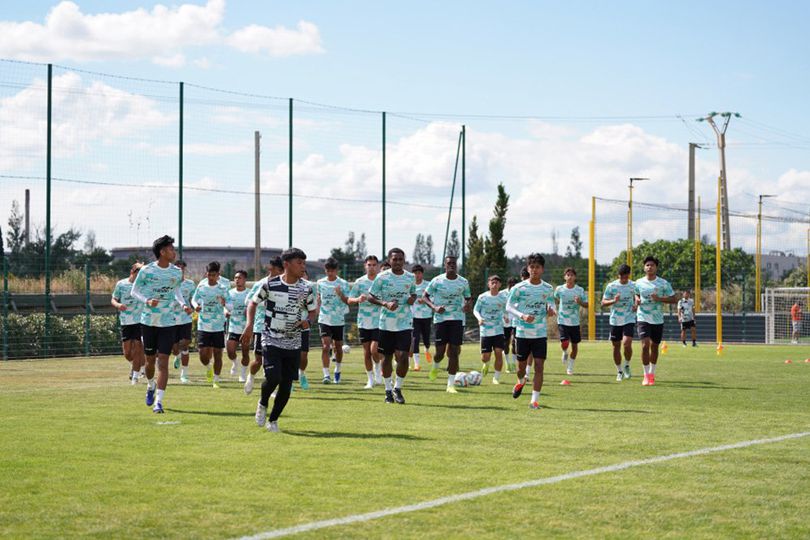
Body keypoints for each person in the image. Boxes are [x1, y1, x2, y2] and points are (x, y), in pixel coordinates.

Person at [242, 247, 317, 433]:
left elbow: (313, 311)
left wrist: (307, 321)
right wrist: (250, 325)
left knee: (286, 385)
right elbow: (253, 303)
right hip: (271, 338)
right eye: (299, 263)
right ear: (286, 264)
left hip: (293, 341)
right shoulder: (270, 285)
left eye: (304, 263)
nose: (302, 267)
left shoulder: (306, 288)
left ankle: (273, 421)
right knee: (273, 376)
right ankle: (262, 402)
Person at [131, 235, 191, 413]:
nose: (174, 252)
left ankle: (159, 401)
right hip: (149, 322)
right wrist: (147, 300)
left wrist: (183, 304)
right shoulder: (147, 271)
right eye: (171, 249)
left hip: (168, 322)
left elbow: (176, 289)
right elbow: (135, 291)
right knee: (150, 362)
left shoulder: (175, 272)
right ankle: (150, 385)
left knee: (163, 362)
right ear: (162, 252)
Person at [506, 253, 556, 410]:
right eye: (532, 267)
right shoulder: (519, 288)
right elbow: (508, 306)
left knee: (539, 366)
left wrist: (551, 311)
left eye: (537, 267)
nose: (534, 270)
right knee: (521, 368)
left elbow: (552, 305)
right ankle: (521, 382)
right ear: (528, 269)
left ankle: (534, 401)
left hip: (540, 333)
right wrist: (522, 315)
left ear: (542, 269)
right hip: (522, 333)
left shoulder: (547, 288)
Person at [368, 248, 417, 404]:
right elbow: (370, 296)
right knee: (387, 357)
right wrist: (384, 303)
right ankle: (388, 390)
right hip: (386, 324)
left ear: (404, 261)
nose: (397, 262)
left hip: (404, 322)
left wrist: (412, 299)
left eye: (400, 259)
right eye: (394, 259)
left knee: (403, 357)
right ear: (389, 260)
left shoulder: (410, 277)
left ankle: (398, 388)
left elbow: (414, 293)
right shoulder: (382, 277)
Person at [424, 256, 472, 394]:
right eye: (449, 263)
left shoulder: (463, 282)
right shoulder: (437, 280)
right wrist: (434, 307)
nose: (451, 265)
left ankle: (450, 385)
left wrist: (468, 305)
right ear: (445, 265)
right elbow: (425, 296)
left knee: (454, 351)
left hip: (457, 319)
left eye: (454, 263)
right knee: (440, 353)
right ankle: (436, 365)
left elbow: (468, 298)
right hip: (440, 319)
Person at [634, 256, 679, 386]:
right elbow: (636, 293)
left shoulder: (663, 283)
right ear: (644, 267)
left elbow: (674, 299)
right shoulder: (639, 282)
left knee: (654, 346)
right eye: (647, 265)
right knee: (645, 345)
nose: (649, 267)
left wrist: (659, 299)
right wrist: (637, 299)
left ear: (656, 267)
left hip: (657, 319)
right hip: (643, 317)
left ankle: (652, 374)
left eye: (652, 265)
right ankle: (645, 375)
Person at [244, 258, 284, 394]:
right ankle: (251, 376)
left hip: (279, 327)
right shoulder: (262, 284)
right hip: (261, 326)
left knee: (275, 360)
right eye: (278, 270)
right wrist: (265, 302)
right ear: (271, 269)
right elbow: (248, 301)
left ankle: (272, 387)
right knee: (259, 360)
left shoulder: (285, 285)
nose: (280, 273)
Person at [347, 255, 383, 389]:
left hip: (379, 321)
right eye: (369, 265)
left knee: (375, 350)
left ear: (378, 266)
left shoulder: (382, 281)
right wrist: (357, 299)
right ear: (365, 266)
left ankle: (378, 369)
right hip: (363, 322)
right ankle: (370, 380)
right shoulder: (359, 282)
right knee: (366, 352)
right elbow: (349, 300)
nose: (372, 267)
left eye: (374, 265)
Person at [191, 261, 229, 388]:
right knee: (202, 354)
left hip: (218, 325)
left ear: (218, 275)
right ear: (206, 274)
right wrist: (196, 306)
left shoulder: (223, 289)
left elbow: (230, 305)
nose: (211, 277)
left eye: (214, 275)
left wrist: (225, 304)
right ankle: (208, 368)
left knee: (218, 354)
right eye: (209, 275)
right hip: (203, 325)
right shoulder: (201, 287)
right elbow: (194, 299)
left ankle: (216, 380)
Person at [316, 258, 350, 384]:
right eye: (328, 270)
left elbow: (348, 301)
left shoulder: (343, 283)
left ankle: (337, 370)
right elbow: (318, 297)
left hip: (338, 320)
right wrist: (318, 309)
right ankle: (326, 375)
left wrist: (340, 294)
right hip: (324, 319)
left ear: (337, 270)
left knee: (339, 347)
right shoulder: (320, 283)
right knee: (325, 346)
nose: (330, 273)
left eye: (332, 271)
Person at [601, 264, 637, 381]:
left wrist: (637, 304)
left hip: (629, 318)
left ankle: (626, 365)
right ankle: (619, 371)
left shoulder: (634, 285)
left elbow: (638, 297)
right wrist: (613, 300)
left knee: (627, 344)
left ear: (629, 275)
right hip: (615, 320)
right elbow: (603, 302)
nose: (624, 279)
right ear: (618, 276)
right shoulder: (612, 286)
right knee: (616, 346)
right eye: (622, 277)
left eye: (626, 277)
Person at [111, 262, 145, 384]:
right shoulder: (121, 284)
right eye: (138, 273)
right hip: (126, 321)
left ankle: (135, 377)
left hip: (140, 321)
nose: (140, 276)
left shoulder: (143, 286)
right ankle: (138, 366)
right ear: (132, 271)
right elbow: (113, 299)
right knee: (127, 353)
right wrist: (118, 305)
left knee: (138, 347)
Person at [473, 275, 507, 384]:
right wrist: (479, 318)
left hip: (498, 330)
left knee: (498, 353)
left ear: (500, 285)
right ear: (488, 284)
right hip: (485, 330)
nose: (495, 284)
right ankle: (486, 364)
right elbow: (475, 310)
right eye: (492, 282)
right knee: (485, 357)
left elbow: (507, 309)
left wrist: (506, 316)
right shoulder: (482, 297)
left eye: (497, 282)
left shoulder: (503, 298)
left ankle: (496, 378)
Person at [554, 267, 588, 376]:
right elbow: (554, 299)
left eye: (572, 275)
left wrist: (580, 302)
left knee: (574, 346)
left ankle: (570, 367)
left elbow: (587, 304)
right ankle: (564, 352)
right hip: (562, 320)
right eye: (568, 275)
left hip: (574, 322)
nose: (570, 277)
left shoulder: (579, 290)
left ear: (575, 277)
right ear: (564, 277)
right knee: (564, 342)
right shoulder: (559, 289)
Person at [171, 260, 196, 383]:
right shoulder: (168, 284)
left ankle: (184, 374)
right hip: (170, 319)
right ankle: (177, 356)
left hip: (185, 318)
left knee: (185, 344)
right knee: (174, 347)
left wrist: (194, 306)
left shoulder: (190, 284)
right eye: (177, 268)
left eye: (182, 268)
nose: (180, 270)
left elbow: (194, 299)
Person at [226, 270, 251, 381]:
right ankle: (235, 363)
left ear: (245, 279)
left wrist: (249, 312)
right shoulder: (230, 293)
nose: (237, 280)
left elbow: (254, 307)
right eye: (235, 278)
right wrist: (225, 311)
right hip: (233, 327)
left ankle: (243, 373)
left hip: (245, 328)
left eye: (239, 278)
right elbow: (224, 305)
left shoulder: (250, 293)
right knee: (230, 351)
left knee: (245, 352)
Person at [410, 264, 433, 371]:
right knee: (415, 338)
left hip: (426, 316)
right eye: (415, 273)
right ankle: (416, 363)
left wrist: (424, 300)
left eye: (419, 273)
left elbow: (433, 298)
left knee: (426, 338)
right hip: (414, 316)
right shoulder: (410, 285)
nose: (417, 275)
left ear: (422, 274)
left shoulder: (428, 285)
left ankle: (427, 349)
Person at [501, 277, 519, 373]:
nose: (513, 286)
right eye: (511, 284)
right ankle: (507, 363)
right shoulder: (502, 294)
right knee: (506, 343)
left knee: (515, 343)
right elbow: (498, 306)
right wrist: (504, 316)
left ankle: (514, 364)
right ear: (508, 285)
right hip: (506, 321)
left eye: (514, 285)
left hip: (516, 320)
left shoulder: (519, 293)